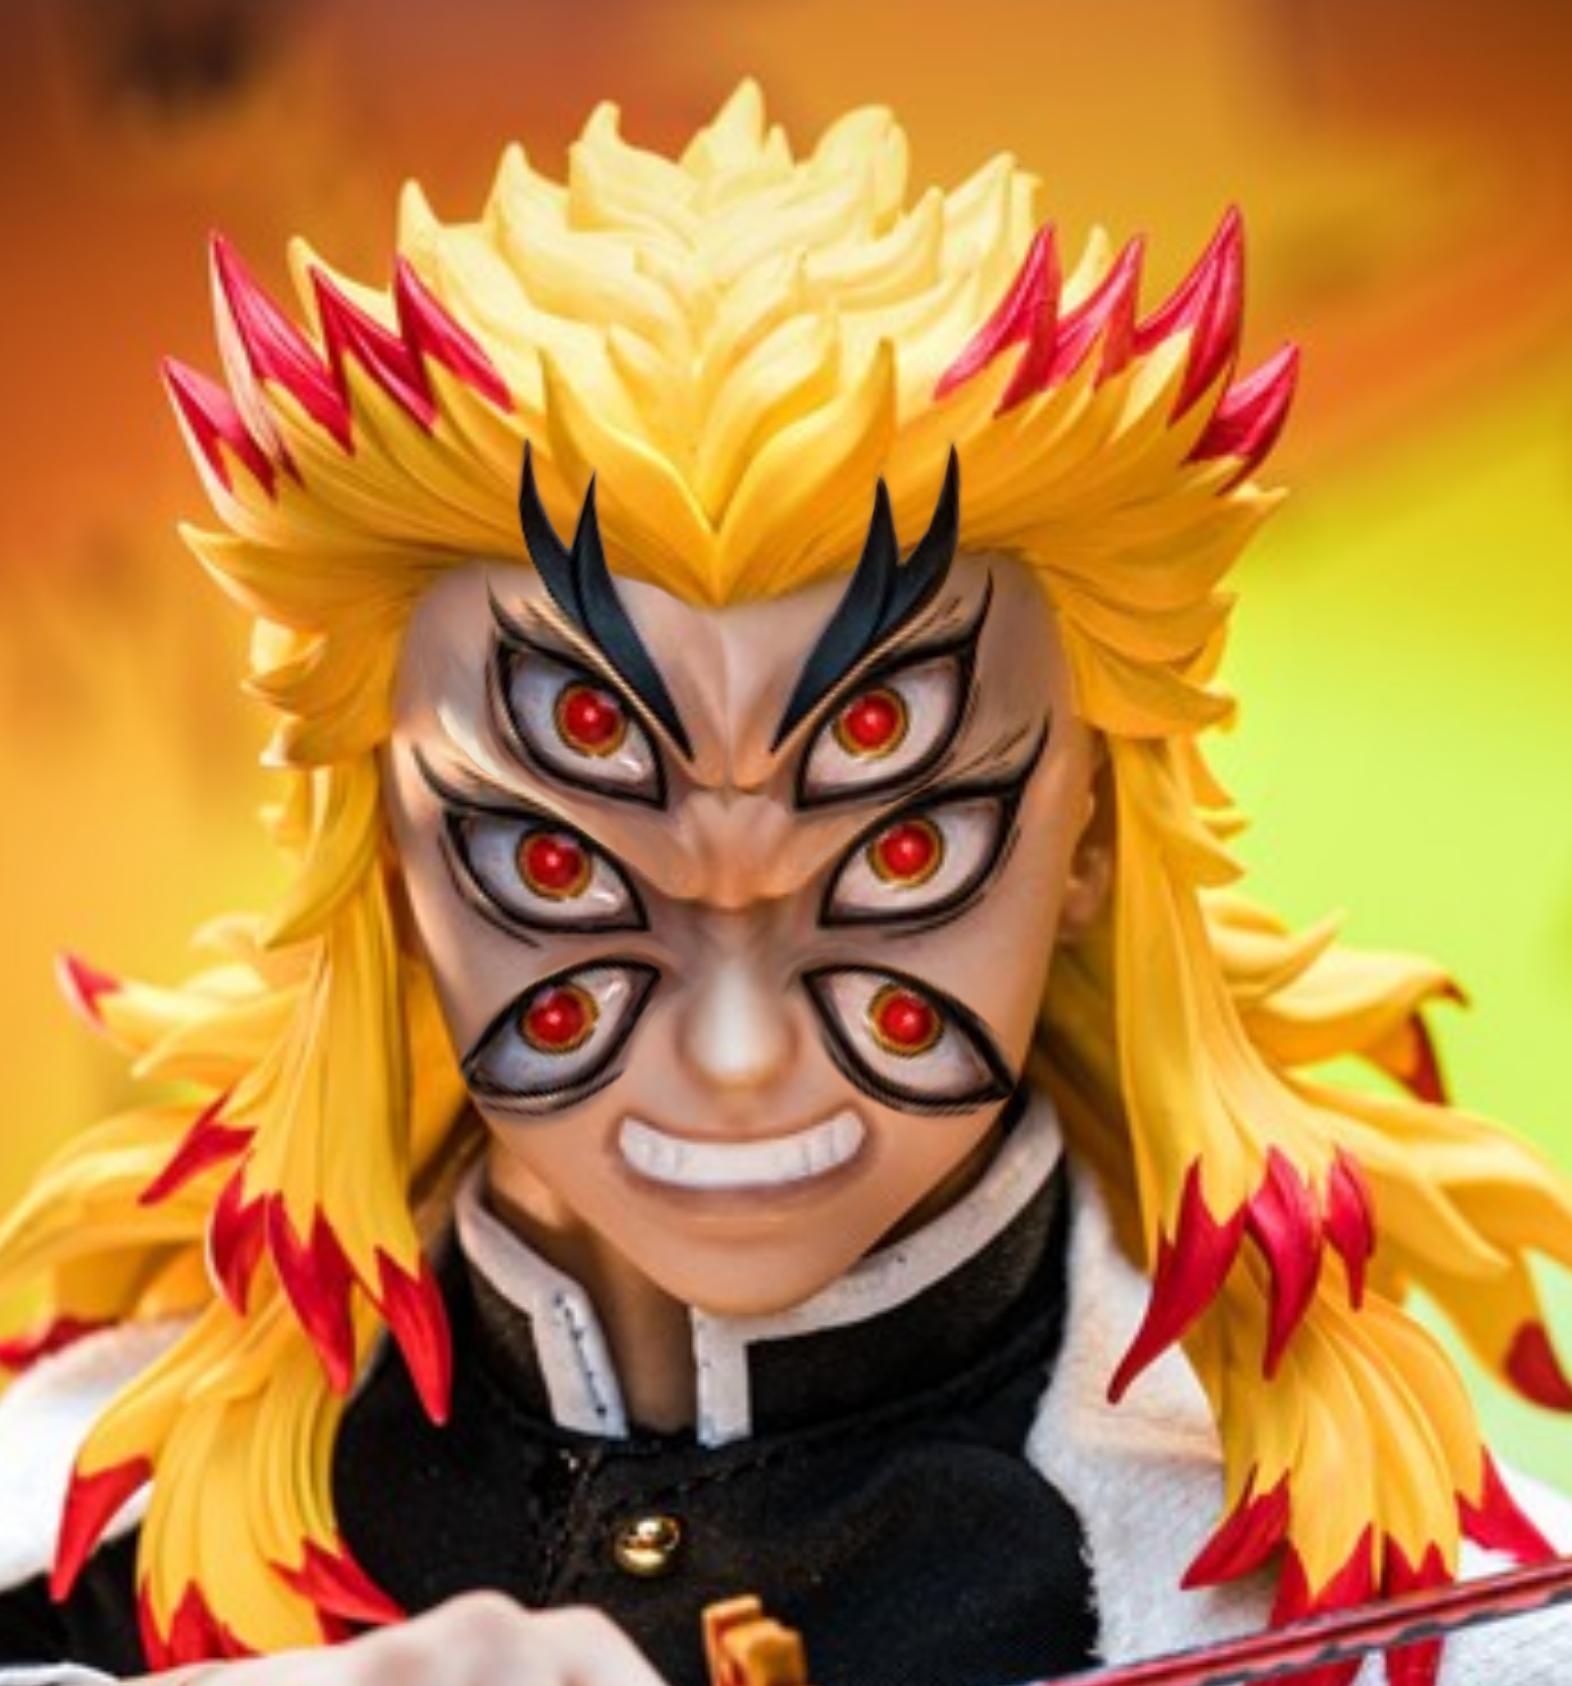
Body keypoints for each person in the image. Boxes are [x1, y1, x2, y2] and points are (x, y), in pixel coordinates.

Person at [0, 79, 1569, 1686]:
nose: (740, 1053)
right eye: (560, 860)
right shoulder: (69, 1528)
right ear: (385, 850)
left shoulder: (1429, 1623)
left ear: (1093, 827)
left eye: (901, 852)